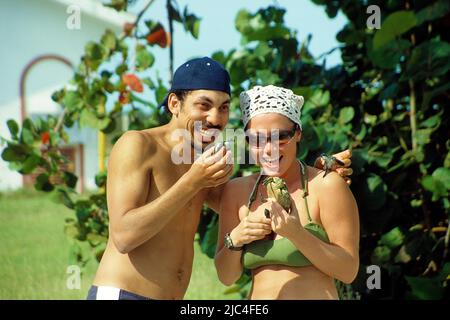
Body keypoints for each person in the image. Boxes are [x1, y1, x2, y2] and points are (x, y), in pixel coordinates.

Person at [87, 57, 352, 300]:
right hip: (123, 293)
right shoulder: (138, 144)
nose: (215, 118)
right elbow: (123, 236)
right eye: (204, 105)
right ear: (174, 104)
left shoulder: (204, 162)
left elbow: (246, 202)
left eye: (223, 107)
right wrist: (193, 182)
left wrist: (317, 175)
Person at [215, 85, 359, 300]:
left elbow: (348, 271)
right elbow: (226, 277)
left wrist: (296, 233)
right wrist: (236, 238)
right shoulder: (237, 191)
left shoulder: (326, 185)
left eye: (280, 137)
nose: (268, 149)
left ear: (298, 133)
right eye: (256, 140)